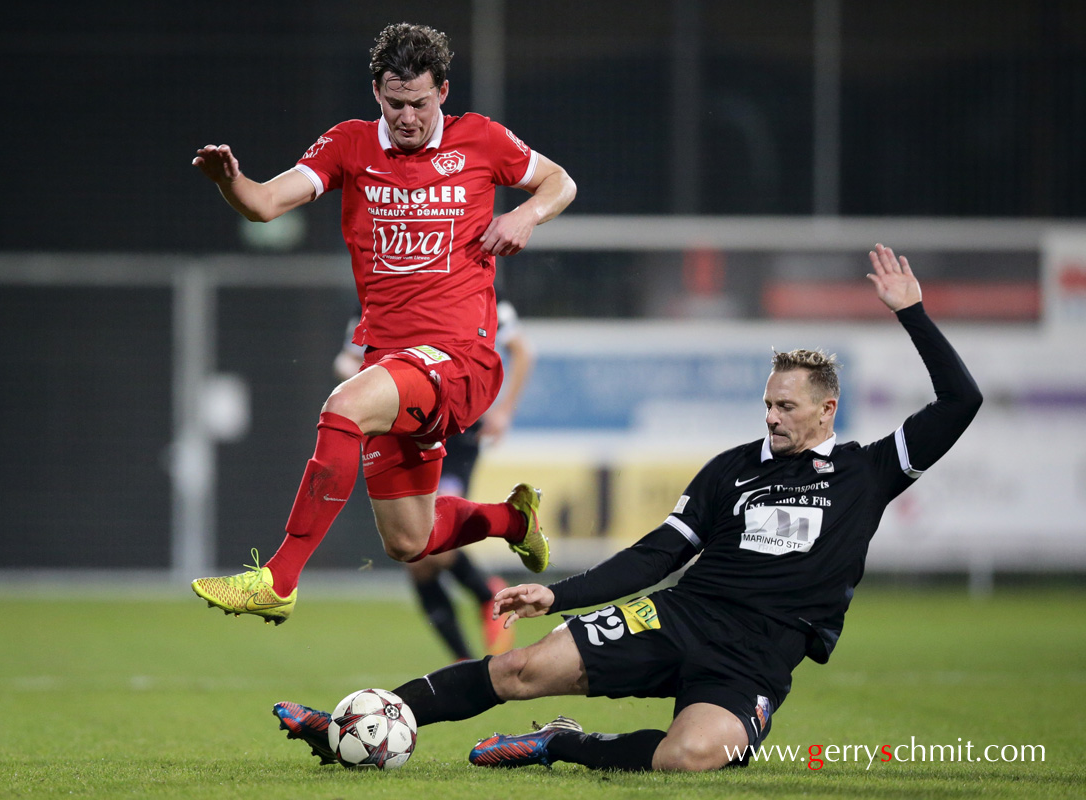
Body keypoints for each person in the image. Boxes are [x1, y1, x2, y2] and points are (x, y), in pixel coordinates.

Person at [272, 244, 982, 771]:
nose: (771, 417)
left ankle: (563, 743)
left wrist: (912, 314)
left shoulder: (869, 470)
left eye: (787, 407)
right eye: (767, 403)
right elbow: (656, 554)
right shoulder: (731, 471)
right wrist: (558, 597)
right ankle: (351, 725)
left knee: (690, 757)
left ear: (828, 409)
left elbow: (961, 402)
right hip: (680, 616)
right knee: (519, 671)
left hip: (757, 661)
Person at [189, 23, 576, 624]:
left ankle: (279, 579)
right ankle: (512, 519)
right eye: (395, 104)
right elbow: (265, 204)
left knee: (344, 407)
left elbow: (560, 181)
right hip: (392, 365)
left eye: (420, 103)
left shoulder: (481, 139)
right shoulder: (349, 145)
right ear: (377, 92)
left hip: (460, 359)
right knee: (408, 541)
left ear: (442, 91)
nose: (408, 117)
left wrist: (526, 214)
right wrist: (227, 181)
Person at [335, 298, 535, 660]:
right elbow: (347, 359)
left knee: (429, 544)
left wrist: (504, 411)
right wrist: (372, 390)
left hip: (456, 432)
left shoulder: (475, 287)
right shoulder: (378, 294)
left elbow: (521, 351)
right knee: (415, 558)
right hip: (402, 430)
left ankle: (486, 591)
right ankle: (464, 660)